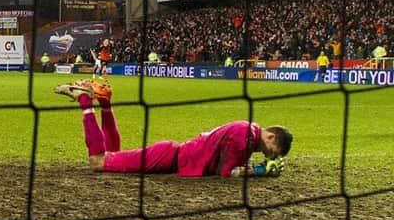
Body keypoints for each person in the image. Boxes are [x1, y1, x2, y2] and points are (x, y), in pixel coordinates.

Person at [53, 80, 292, 178]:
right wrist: (258, 171)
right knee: (98, 162)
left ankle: (105, 102)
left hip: (170, 154)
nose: (269, 154)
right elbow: (224, 172)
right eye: (274, 150)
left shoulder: (246, 131)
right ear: (271, 136)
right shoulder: (244, 138)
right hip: (168, 158)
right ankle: (86, 100)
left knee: (112, 154)